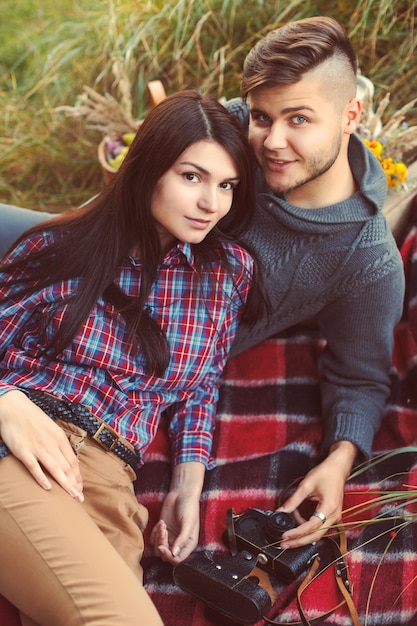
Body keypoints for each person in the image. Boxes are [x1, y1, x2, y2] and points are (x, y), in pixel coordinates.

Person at [0, 16, 405, 552]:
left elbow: (361, 376)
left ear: (352, 114)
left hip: (148, 352)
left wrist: (340, 457)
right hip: (82, 264)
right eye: (262, 115)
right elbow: (161, 158)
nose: (272, 142)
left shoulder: (366, 259)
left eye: (299, 120)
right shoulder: (237, 129)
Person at [0, 90, 262, 626]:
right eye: (192, 176)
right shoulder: (59, 247)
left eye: (226, 184)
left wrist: (187, 487)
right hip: (20, 443)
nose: (211, 202)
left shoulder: (228, 273)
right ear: (148, 170)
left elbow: (201, 384)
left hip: (110, 478)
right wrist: (4, 400)